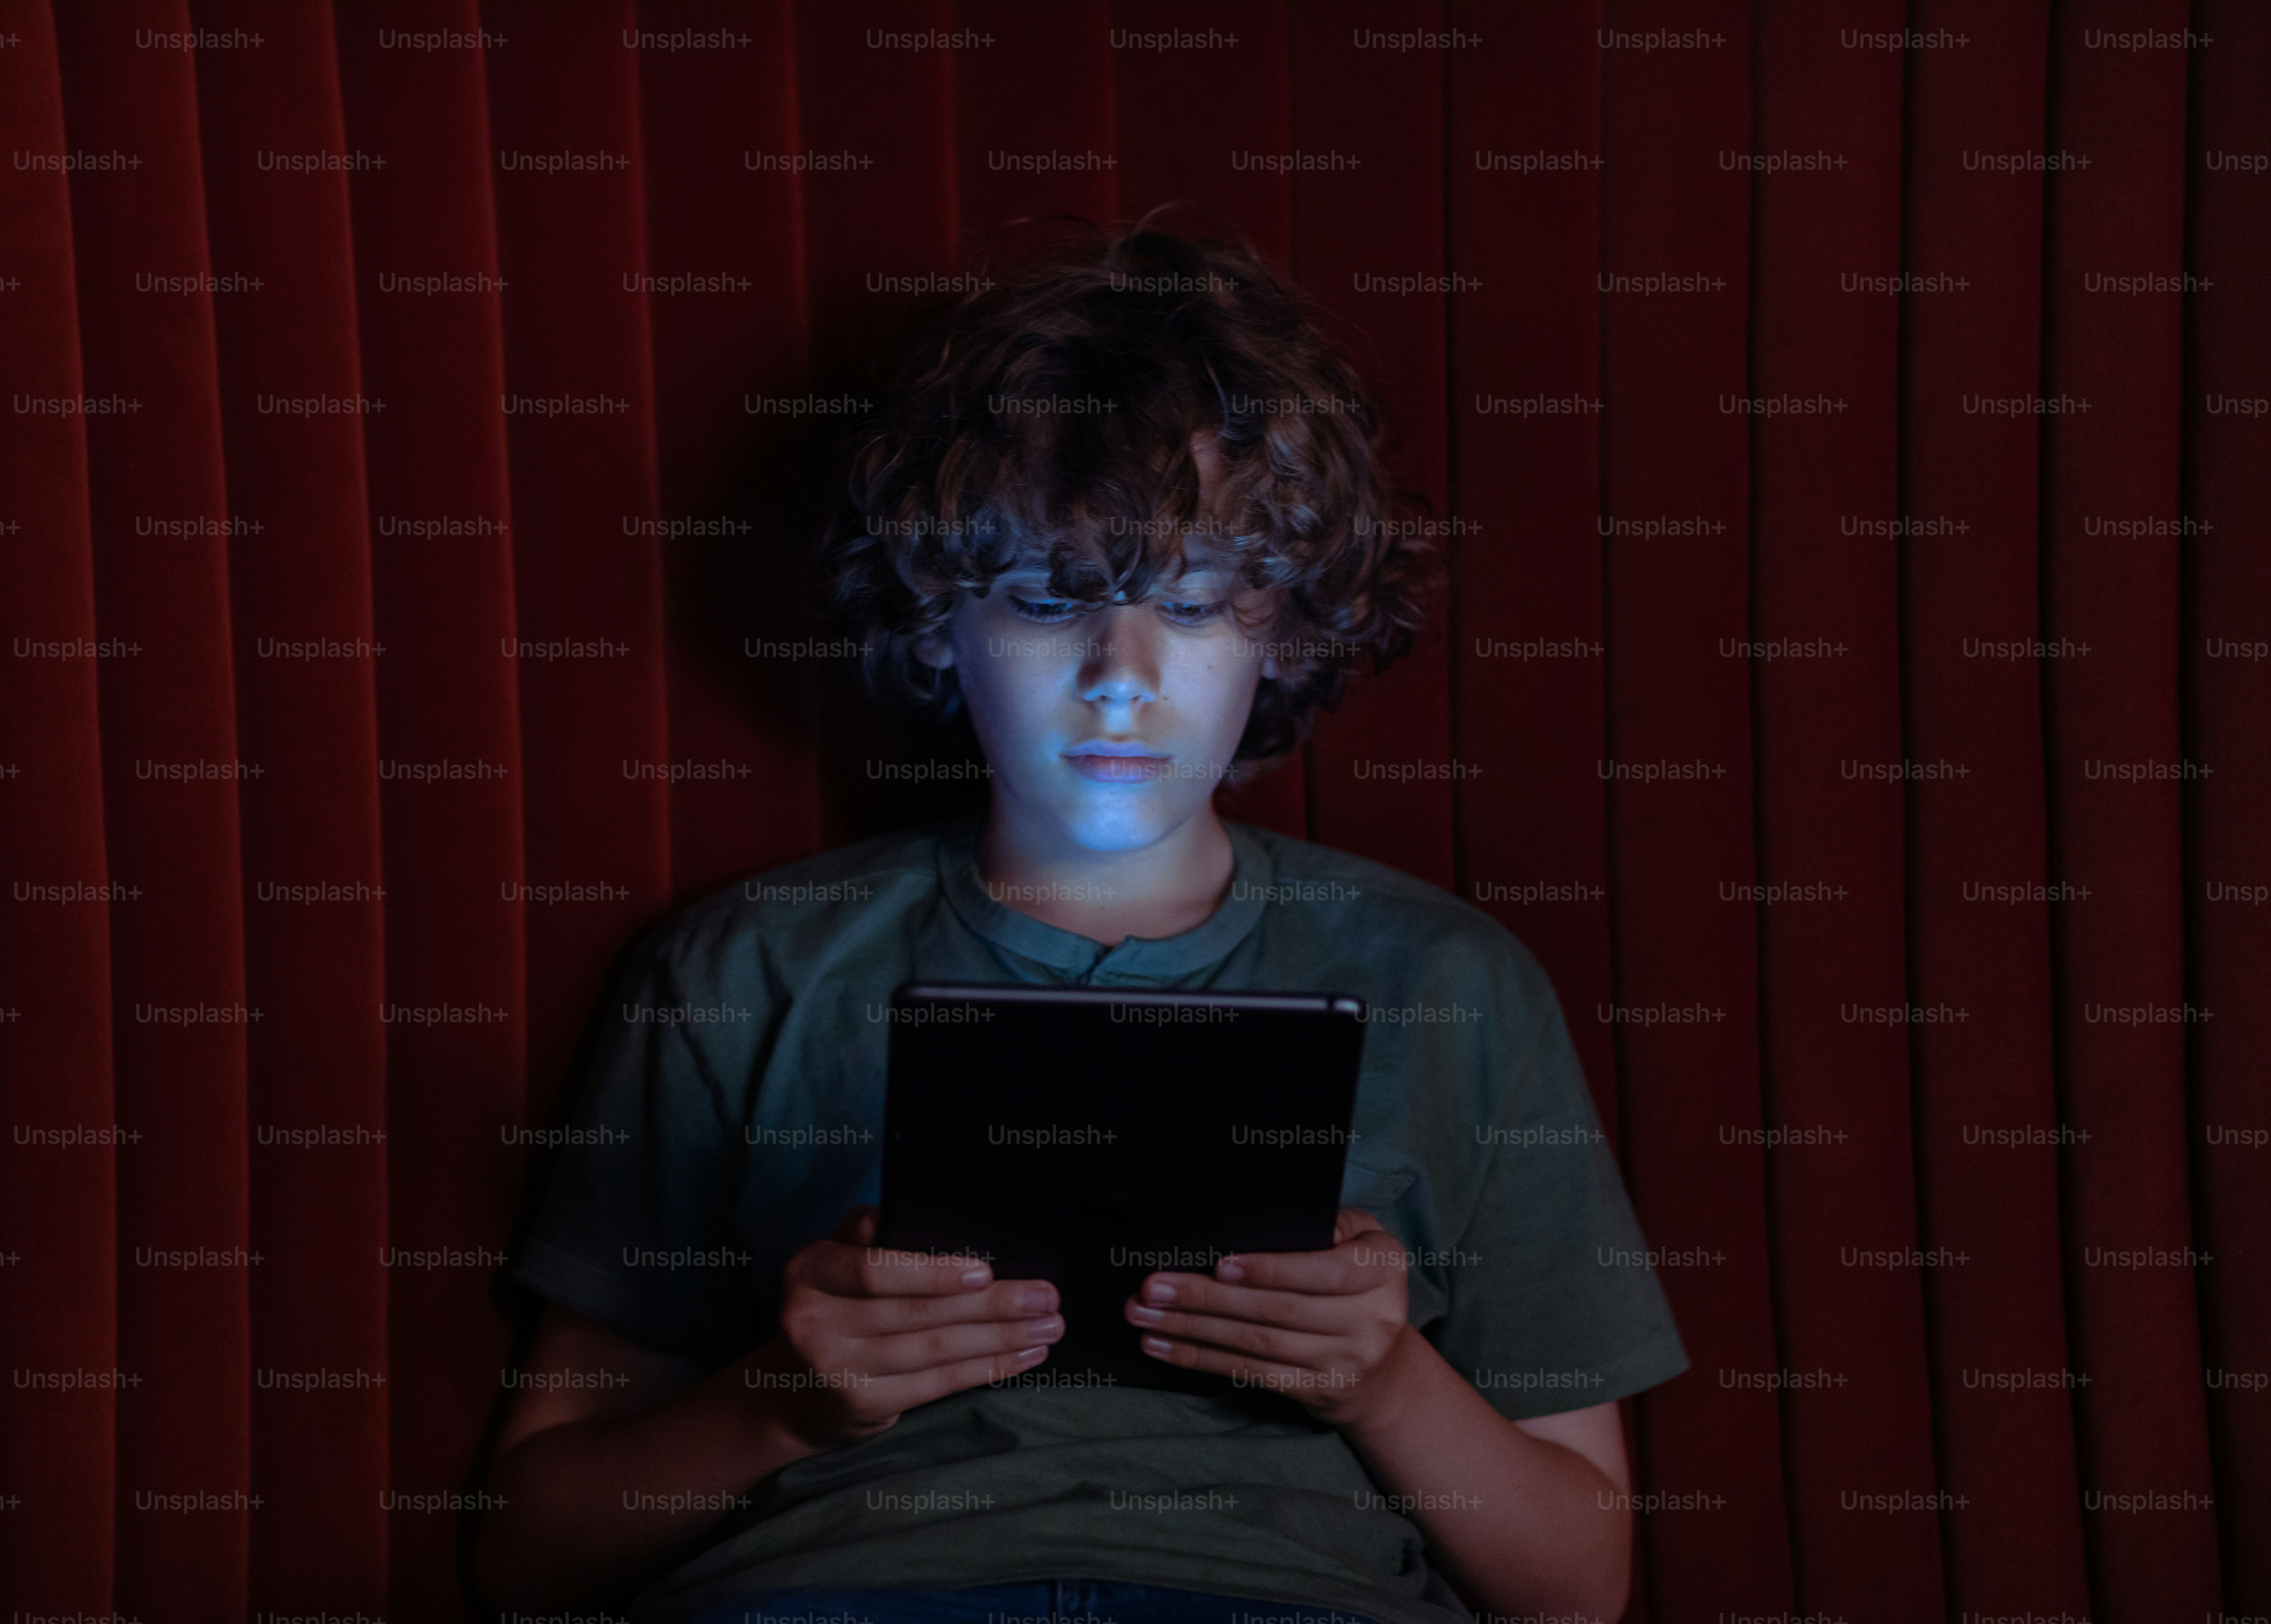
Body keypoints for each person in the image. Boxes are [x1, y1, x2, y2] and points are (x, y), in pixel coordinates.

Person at [471, 221, 1687, 1624]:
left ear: (1284, 627)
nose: (1123, 680)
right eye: (1052, 606)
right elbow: (530, 1551)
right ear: (940, 626)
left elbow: (1581, 1588)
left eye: (1190, 605)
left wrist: (1385, 1381)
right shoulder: (750, 966)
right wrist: (783, 1408)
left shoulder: (1453, 982)